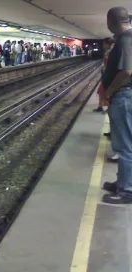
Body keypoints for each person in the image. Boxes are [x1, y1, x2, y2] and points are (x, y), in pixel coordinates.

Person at [101, 7, 132, 204]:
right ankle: (123, 182)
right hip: (125, 96)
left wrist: (108, 92)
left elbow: (126, 71)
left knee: (124, 146)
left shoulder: (126, 39)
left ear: (111, 21)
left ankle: (127, 190)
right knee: (125, 143)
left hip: (123, 96)